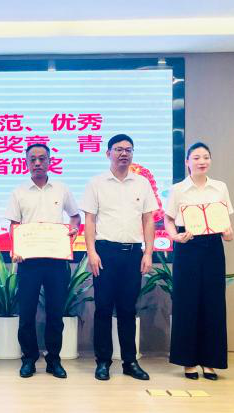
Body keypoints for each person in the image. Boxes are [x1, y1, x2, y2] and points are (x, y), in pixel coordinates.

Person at [80, 134, 157, 381]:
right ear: (108, 153)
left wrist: (148, 253)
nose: (124, 153)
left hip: (133, 253)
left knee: (127, 309)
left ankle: (129, 362)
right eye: (118, 149)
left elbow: (148, 220)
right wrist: (91, 252)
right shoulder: (96, 183)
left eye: (128, 149)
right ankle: (103, 362)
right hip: (105, 253)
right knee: (103, 309)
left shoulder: (142, 183)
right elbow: (89, 220)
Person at [6, 143, 81, 379]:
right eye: (33, 159)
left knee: (55, 314)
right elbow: (14, 226)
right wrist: (16, 248)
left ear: (49, 161)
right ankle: (28, 359)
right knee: (26, 314)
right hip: (28, 262)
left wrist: (73, 231)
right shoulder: (19, 192)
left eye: (42, 158)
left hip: (56, 261)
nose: (37, 163)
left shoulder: (61, 189)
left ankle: (54, 360)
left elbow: (75, 217)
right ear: (26, 162)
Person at [164, 142, 234, 380]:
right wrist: (174, 237)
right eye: (196, 157)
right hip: (187, 246)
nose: (201, 161)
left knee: (213, 303)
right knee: (187, 302)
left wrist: (229, 233)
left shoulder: (220, 187)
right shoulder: (178, 189)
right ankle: (188, 362)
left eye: (205, 157)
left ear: (210, 160)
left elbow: (225, 220)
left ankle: (210, 361)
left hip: (213, 246)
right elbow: (168, 220)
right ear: (187, 162)